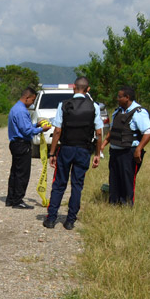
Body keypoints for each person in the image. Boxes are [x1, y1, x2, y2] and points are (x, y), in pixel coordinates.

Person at [44, 77, 103, 230]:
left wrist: (52, 153)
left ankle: (51, 219)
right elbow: (98, 133)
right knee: (77, 185)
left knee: (59, 184)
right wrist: (97, 153)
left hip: (66, 149)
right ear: (88, 89)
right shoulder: (94, 107)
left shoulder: (63, 105)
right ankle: (70, 221)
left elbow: (57, 131)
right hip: (83, 150)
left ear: (74, 88)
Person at [100, 86, 150, 205]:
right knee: (114, 179)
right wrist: (103, 145)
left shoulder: (139, 112)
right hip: (115, 151)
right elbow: (113, 130)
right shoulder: (117, 111)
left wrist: (138, 149)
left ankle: (127, 205)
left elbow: (149, 132)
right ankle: (114, 203)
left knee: (127, 180)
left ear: (127, 98)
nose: (117, 99)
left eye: (119, 97)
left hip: (129, 152)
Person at [6, 87, 46, 209]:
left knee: (15, 172)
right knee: (22, 173)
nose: (33, 103)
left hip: (16, 143)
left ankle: (11, 198)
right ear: (27, 97)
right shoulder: (22, 111)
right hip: (22, 144)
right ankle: (18, 200)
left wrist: (36, 125)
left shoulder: (16, 108)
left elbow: (24, 126)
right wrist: (41, 129)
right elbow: (26, 131)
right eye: (32, 100)